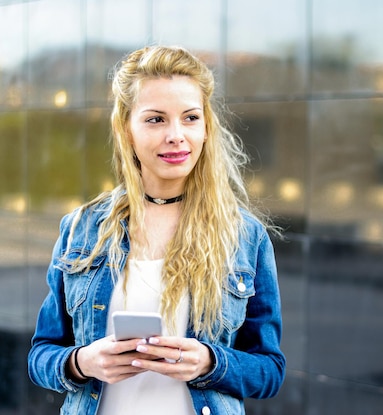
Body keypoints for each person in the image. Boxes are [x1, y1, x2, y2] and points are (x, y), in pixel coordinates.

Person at [27, 45, 285, 415]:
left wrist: (212, 363)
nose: (176, 135)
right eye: (155, 119)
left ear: (206, 127)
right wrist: (82, 362)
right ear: (126, 128)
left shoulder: (245, 236)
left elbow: (270, 370)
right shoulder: (81, 228)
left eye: (190, 117)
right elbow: (41, 355)